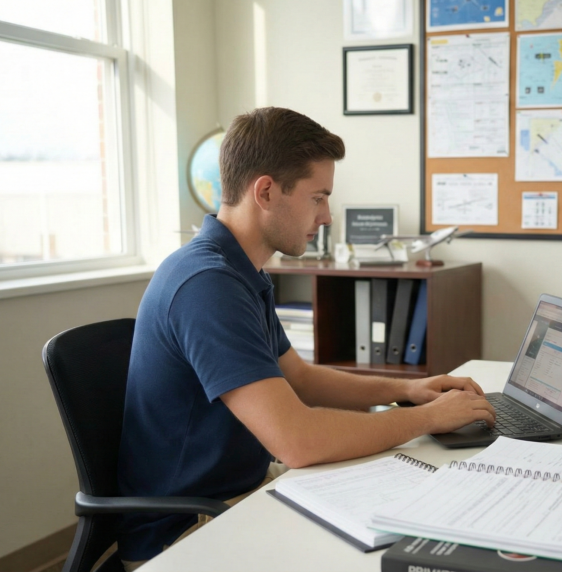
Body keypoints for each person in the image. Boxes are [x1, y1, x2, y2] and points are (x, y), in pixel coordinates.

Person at [117, 107, 495, 569]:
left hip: (241, 489)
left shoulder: (239, 271)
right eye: (318, 197)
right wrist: (427, 420)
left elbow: (298, 376)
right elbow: (297, 442)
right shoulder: (206, 284)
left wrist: (408, 391)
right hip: (187, 532)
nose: (328, 215)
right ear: (267, 191)